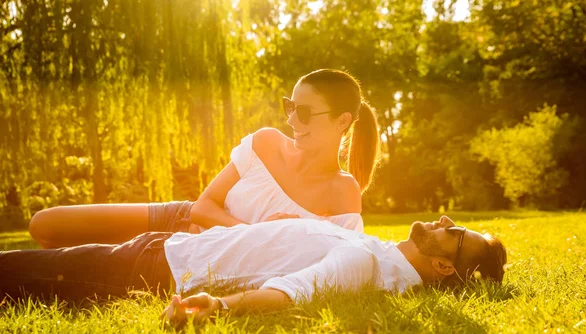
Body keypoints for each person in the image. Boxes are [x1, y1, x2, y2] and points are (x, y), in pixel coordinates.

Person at [28, 69, 381, 249]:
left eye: (304, 112)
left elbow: (340, 258)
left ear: (342, 121)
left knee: (58, 257)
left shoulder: (343, 191)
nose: (291, 120)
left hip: (203, 250)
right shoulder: (265, 142)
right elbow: (201, 207)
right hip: (178, 216)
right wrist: (256, 231)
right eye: (289, 107)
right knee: (45, 225)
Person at [0, 216, 507, 326]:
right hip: (165, 249)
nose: (445, 220)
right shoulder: (376, 245)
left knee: (13, 272)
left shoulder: (365, 263)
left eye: (456, 233)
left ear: (442, 264)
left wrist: (219, 306)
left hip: (148, 270)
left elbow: (293, 292)